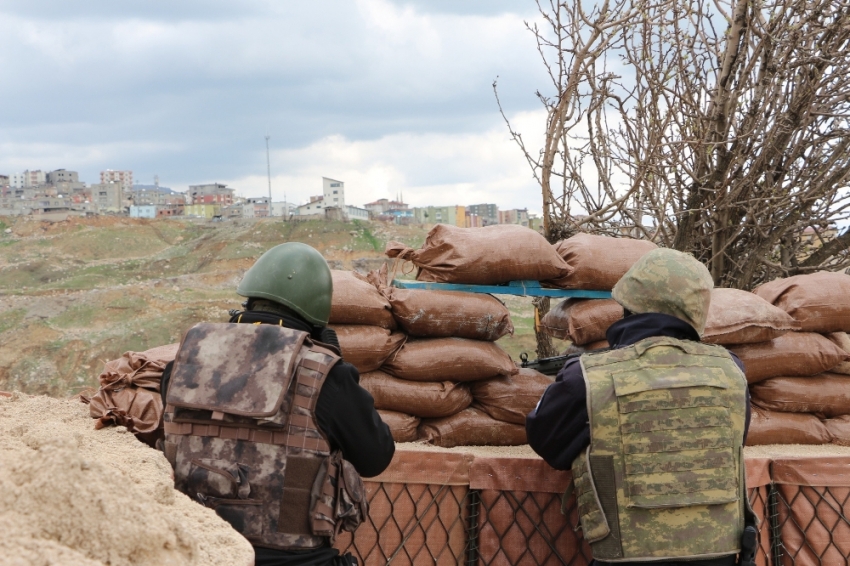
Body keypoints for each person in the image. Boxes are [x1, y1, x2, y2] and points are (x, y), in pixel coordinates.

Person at [159, 242, 395, 566]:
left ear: (248, 299)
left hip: (191, 553)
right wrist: (336, 368)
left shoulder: (187, 360)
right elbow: (376, 456)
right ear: (316, 316)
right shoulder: (327, 376)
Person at [527, 248, 752, 566]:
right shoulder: (731, 370)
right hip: (721, 555)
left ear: (627, 305)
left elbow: (548, 444)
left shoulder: (588, 376)